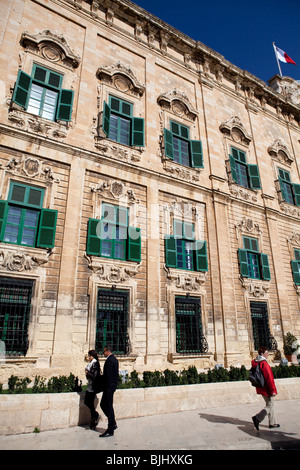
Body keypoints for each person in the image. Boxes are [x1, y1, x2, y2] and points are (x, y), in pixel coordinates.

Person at [251, 346, 280, 430]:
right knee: (270, 406)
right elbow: (269, 378)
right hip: (267, 388)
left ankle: (272, 423)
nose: (268, 355)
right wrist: (272, 390)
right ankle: (257, 418)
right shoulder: (264, 363)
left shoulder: (256, 362)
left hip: (261, 387)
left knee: (270, 405)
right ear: (262, 354)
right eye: (266, 353)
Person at [99, 344, 119, 437]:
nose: (103, 353)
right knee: (103, 404)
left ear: (108, 351)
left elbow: (109, 375)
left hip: (108, 387)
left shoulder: (110, 360)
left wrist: (109, 386)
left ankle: (110, 429)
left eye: (104, 351)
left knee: (108, 406)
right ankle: (113, 422)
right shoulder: (113, 359)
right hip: (110, 387)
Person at [84, 350, 101, 430]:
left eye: (89, 356)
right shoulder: (91, 363)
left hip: (93, 387)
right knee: (88, 403)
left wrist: (88, 373)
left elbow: (95, 376)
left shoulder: (95, 363)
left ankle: (95, 416)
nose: (89, 357)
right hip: (90, 386)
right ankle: (93, 419)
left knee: (88, 402)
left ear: (92, 356)